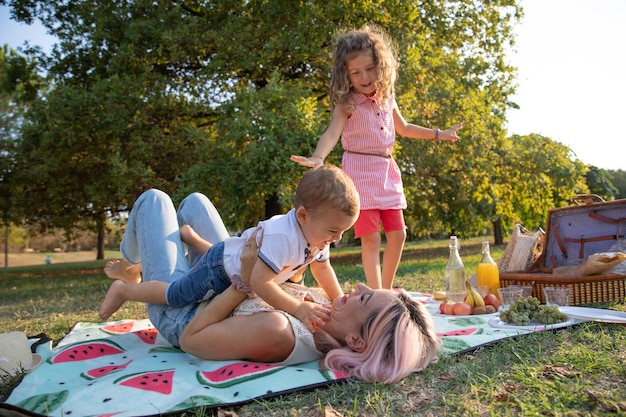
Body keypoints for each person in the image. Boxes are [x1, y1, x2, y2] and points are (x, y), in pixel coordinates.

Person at [99, 184, 441, 383]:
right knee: (195, 203)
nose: (361, 288)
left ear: (355, 340)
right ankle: (159, 255)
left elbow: (191, 340)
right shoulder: (326, 313)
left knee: (155, 200)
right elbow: (278, 274)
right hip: (222, 282)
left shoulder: (280, 331)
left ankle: (133, 266)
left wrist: (242, 282)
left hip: (182, 312)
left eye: (365, 300)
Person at [291, 25, 463, 290]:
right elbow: (331, 133)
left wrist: (438, 134)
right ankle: (377, 292)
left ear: (381, 65)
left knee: (399, 233)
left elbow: (404, 128)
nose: (365, 77)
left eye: (370, 68)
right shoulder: (347, 102)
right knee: (370, 237)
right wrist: (318, 156)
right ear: (345, 74)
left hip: (386, 169)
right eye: (356, 72)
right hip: (359, 172)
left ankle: (388, 287)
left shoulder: (387, 97)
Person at [100, 165, 360, 332]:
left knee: (197, 204)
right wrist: (297, 308)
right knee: (175, 294)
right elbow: (259, 282)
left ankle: (190, 239)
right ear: (303, 215)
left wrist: (337, 299)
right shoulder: (284, 237)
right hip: (217, 272)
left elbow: (322, 267)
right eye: (333, 231)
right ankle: (124, 289)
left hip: (228, 258)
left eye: (343, 232)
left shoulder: (316, 235)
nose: (336, 238)